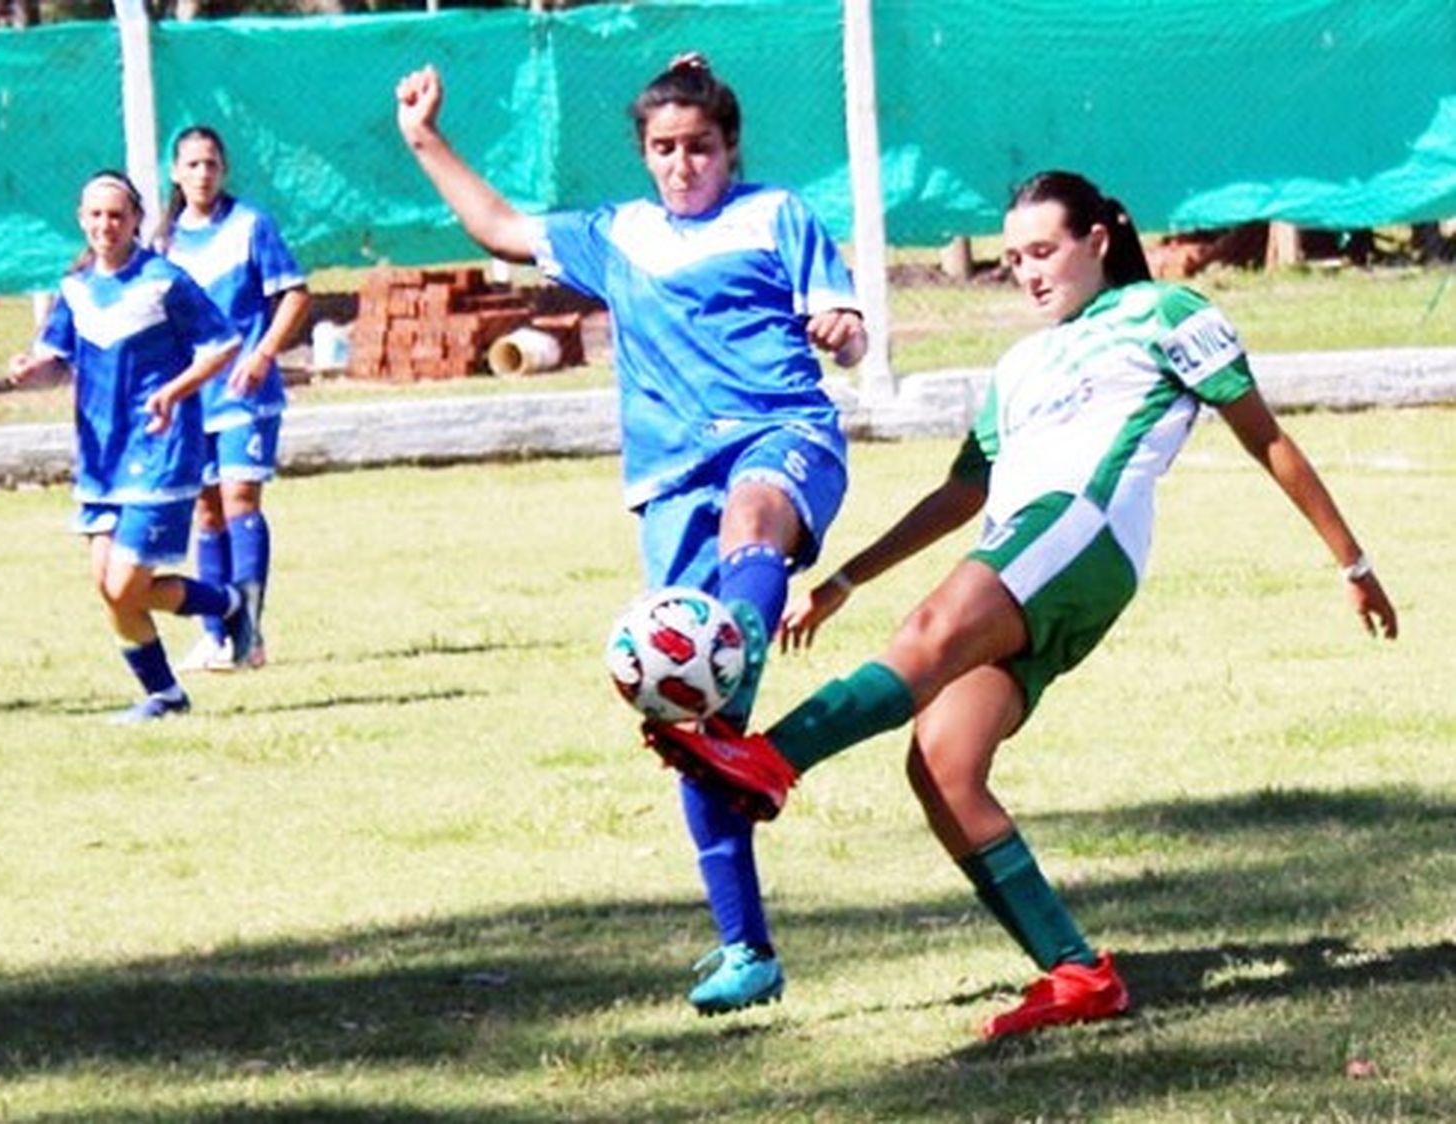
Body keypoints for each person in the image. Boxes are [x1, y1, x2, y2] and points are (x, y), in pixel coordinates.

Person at [644, 170, 1399, 1038]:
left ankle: (769, 762)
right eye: (1013, 260)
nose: (1029, 272)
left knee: (925, 634)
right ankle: (1079, 972)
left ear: (1097, 241)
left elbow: (1268, 439)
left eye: (1044, 251)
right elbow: (965, 489)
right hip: (1025, 546)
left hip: (1080, 532)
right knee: (943, 765)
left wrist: (1353, 562)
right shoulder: (1019, 364)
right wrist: (847, 576)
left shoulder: (1167, 314)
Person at [396, 54, 868, 1014]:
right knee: (701, 738)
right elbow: (497, 226)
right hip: (668, 482)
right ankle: (747, 950)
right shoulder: (619, 237)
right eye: (665, 148)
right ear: (646, 156)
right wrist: (424, 138)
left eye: (701, 146)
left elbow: (849, 327)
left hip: (783, 437)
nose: (684, 163)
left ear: (731, 148)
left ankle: (728, 651)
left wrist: (841, 333)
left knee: (753, 524)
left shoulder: (776, 215)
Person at [9, 170, 254, 724]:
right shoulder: (73, 289)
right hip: (101, 458)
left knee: (124, 586)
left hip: (160, 450)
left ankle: (211, 630)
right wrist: (30, 368)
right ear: (81, 219)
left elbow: (223, 345)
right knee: (112, 589)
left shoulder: (164, 280)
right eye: (95, 215)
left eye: (116, 215)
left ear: (136, 220)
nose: (105, 225)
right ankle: (190, 659)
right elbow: (55, 361)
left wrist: (174, 390)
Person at [156, 125, 310, 673]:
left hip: (245, 393)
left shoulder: (251, 226)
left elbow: (294, 294)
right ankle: (213, 633)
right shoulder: (164, 241)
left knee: (241, 499)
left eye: (211, 164)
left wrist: (264, 352)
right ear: (175, 172)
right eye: (192, 165)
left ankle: (250, 632)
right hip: (193, 398)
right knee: (205, 507)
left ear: (224, 171)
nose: (202, 174)